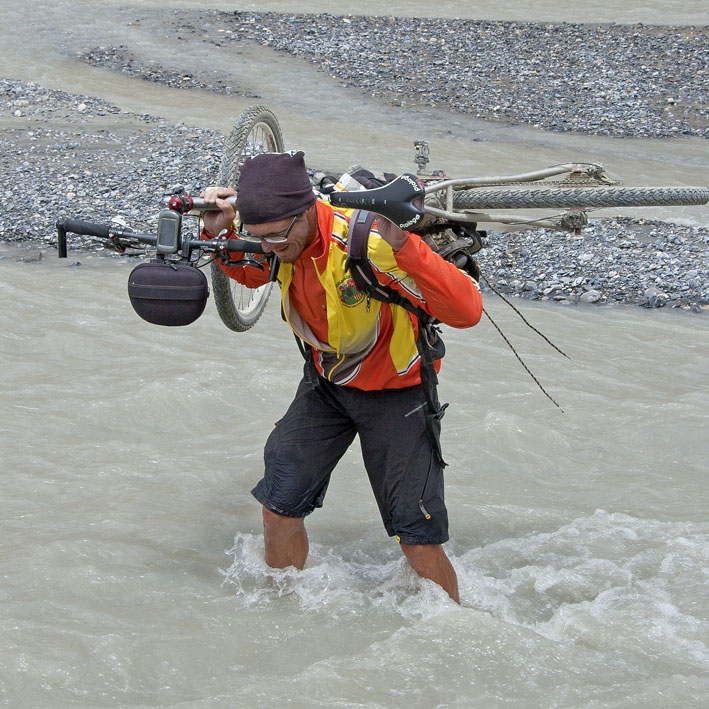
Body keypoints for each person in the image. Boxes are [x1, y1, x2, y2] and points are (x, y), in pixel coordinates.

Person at [200, 151, 482, 603]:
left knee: (416, 535)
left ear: (306, 211)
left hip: (398, 392)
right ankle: (280, 607)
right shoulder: (278, 241)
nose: (267, 246)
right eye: (258, 237)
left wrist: (406, 247)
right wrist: (218, 233)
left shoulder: (368, 244)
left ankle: (457, 625)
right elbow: (251, 274)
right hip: (327, 384)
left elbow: (468, 310)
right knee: (278, 508)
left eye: (275, 236)